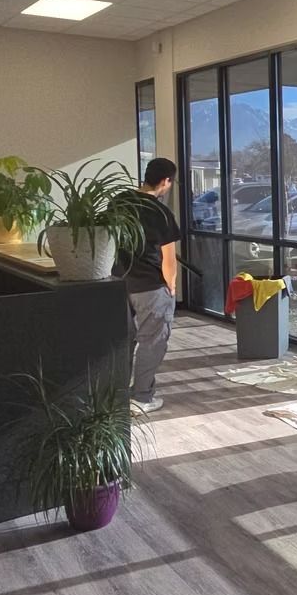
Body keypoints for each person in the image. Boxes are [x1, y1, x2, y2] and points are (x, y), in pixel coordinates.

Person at [122, 157, 179, 414]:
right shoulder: (161, 213)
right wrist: (172, 287)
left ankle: (117, 394)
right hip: (149, 286)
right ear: (166, 181)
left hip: (118, 281)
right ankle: (142, 398)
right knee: (152, 341)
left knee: (122, 340)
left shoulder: (119, 203)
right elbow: (168, 259)